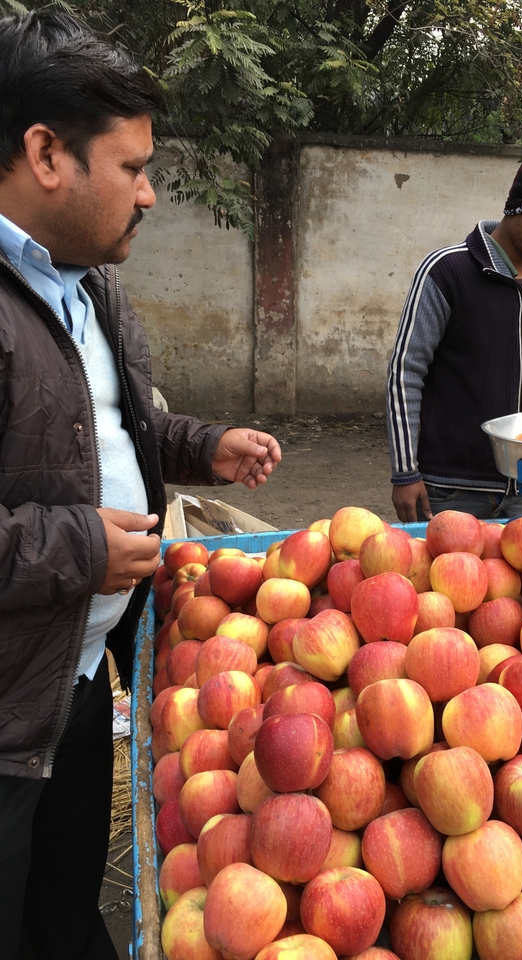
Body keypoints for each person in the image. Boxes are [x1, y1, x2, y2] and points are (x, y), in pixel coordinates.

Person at [0, 12, 281, 960]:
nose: (152, 193)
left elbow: (110, 428)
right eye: (131, 167)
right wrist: (82, 546)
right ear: (46, 153)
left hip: (79, 687)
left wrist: (204, 447)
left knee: (65, 913)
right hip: (4, 719)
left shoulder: (88, 281)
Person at [386, 135, 522, 522]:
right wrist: (405, 471)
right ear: (520, 205)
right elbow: (405, 373)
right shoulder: (447, 273)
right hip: (448, 490)